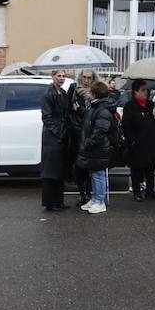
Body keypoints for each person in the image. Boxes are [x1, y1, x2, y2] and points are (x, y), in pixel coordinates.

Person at [76, 80, 119, 213]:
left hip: (99, 147)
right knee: (94, 173)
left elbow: (100, 131)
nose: (88, 94)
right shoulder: (96, 107)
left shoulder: (102, 110)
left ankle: (100, 201)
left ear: (94, 94)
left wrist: (88, 142)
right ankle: (95, 199)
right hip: (95, 147)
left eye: (90, 92)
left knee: (98, 174)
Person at [123, 79, 155, 202]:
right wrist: (132, 140)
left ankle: (150, 191)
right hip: (137, 144)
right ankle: (137, 193)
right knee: (136, 170)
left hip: (150, 142)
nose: (146, 92)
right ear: (135, 92)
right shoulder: (130, 106)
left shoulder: (150, 105)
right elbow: (125, 126)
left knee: (150, 169)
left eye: (147, 90)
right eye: (143, 90)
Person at [40, 70, 71, 211]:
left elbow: (65, 112)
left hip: (61, 133)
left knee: (59, 169)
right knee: (50, 170)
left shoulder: (63, 93)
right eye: (59, 76)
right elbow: (46, 117)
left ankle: (59, 201)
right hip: (52, 135)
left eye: (63, 76)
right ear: (53, 77)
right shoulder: (49, 93)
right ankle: (49, 202)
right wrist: (58, 132)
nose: (61, 78)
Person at [69, 70, 98, 205]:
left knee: (90, 165)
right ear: (80, 78)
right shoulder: (74, 89)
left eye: (89, 78)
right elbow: (67, 107)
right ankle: (82, 194)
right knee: (79, 165)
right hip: (77, 131)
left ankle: (89, 193)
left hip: (90, 132)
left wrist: (80, 110)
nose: (86, 80)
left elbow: (94, 112)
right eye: (84, 77)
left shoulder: (96, 92)